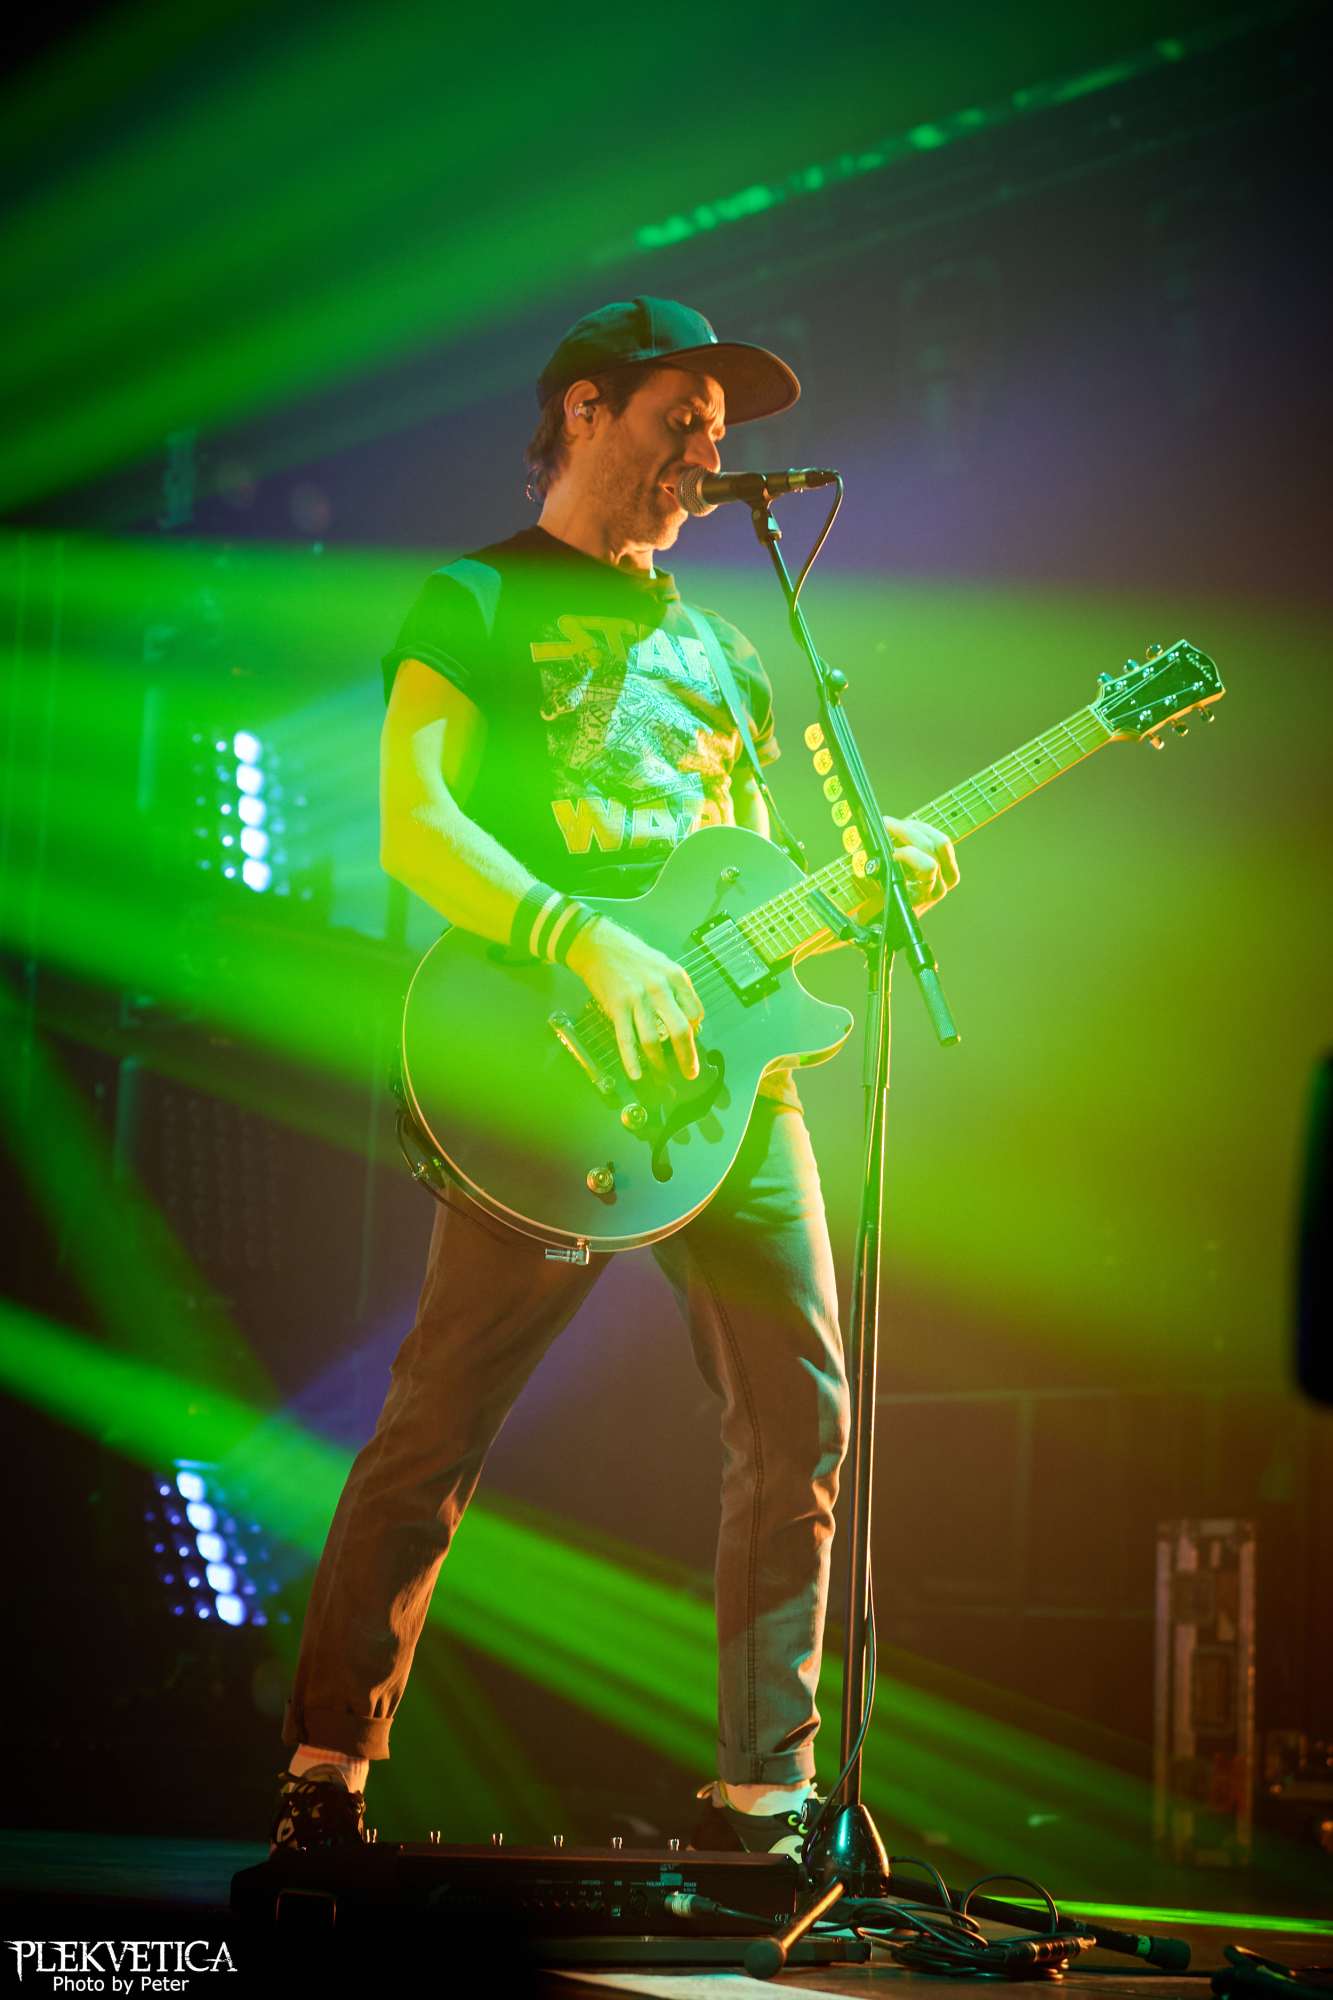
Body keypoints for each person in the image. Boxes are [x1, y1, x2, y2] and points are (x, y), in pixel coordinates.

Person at [271, 297, 959, 1859]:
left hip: (725, 1087)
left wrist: (862, 887)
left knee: (800, 1415)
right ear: (584, 410)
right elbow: (415, 824)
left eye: (720, 432)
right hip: (548, 1059)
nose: (707, 453)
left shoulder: (728, 650)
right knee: (438, 1418)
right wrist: (581, 939)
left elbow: (748, 882)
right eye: (679, 417)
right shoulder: (476, 596)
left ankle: (762, 1799)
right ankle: (326, 1770)